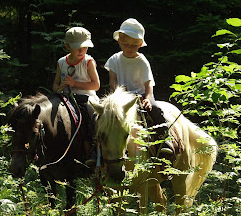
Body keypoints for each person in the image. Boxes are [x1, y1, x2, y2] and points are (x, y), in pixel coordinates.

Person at [104, 18, 175, 156]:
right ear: (119, 41)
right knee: (104, 115)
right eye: (126, 44)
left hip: (141, 96)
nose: (129, 48)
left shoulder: (142, 61)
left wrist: (148, 99)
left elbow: (148, 83)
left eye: (134, 45)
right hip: (121, 98)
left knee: (156, 109)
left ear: (140, 44)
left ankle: (165, 140)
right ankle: (98, 148)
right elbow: (112, 81)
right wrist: (118, 94)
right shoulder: (114, 60)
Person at [52, 26, 100, 165]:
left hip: (86, 97)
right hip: (65, 98)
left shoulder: (88, 62)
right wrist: (59, 88)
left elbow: (96, 85)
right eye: (78, 47)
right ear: (67, 46)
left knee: (93, 114)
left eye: (85, 47)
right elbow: (55, 85)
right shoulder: (61, 62)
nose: (82, 51)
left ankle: (95, 148)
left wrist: (75, 83)